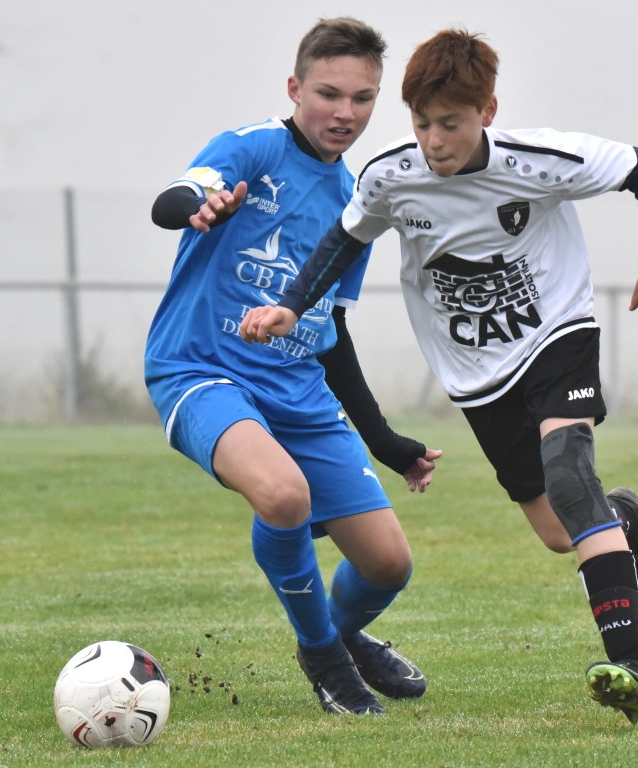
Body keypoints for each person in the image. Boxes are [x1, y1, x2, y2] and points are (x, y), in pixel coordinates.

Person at [240, 29, 638, 729]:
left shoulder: (538, 160)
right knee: (559, 530)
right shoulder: (390, 176)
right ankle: (622, 518)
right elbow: (343, 240)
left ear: (488, 111)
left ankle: (636, 670)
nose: (434, 140)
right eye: (422, 123)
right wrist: (292, 306)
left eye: (451, 123)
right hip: (478, 376)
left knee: (570, 477)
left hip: (557, 335)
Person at [145, 17, 442, 716]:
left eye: (362, 98)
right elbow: (171, 202)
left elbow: (331, 330)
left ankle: (342, 635)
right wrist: (201, 206)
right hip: (201, 372)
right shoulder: (252, 148)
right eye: (329, 93)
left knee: (388, 565)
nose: (345, 113)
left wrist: (384, 439)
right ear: (294, 88)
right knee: (283, 496)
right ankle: (324, 657)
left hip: (299, 391)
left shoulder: (356, 201)